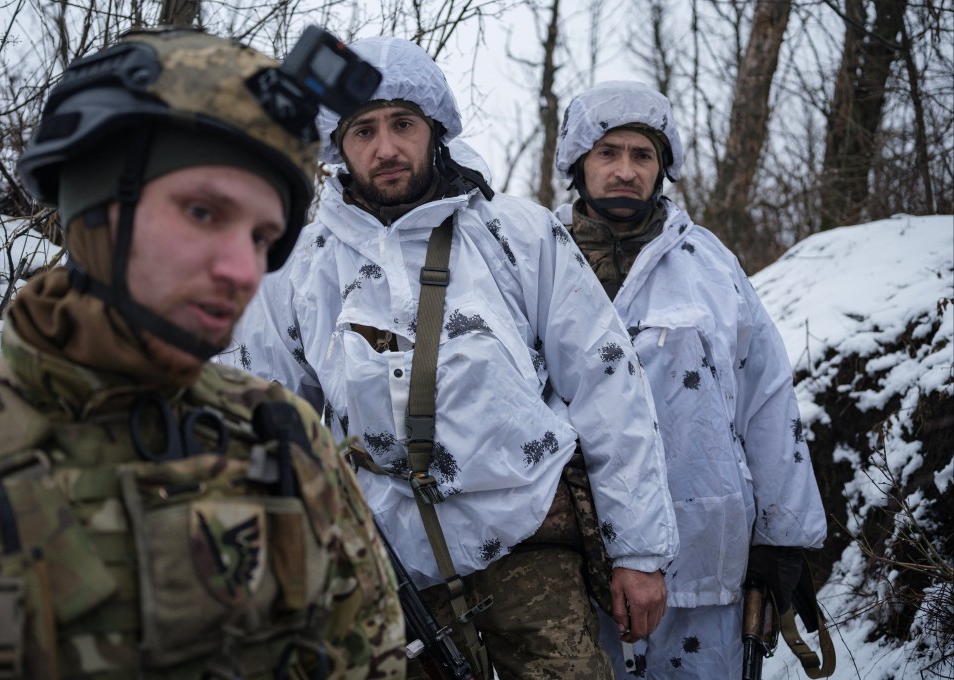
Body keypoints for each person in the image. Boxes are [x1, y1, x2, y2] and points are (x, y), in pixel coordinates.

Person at [0, 29, 405, 679]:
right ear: (97, 203)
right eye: (205, 212)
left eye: (264, 236)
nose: (245, 269)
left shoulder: (284, 438)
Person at [229, 37, 678, 680]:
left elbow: (610, 387)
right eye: (365, 130)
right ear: (337, 146)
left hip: (529, 550)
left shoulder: (515, 233)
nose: (386, 147)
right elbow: (263, 421)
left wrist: (640, 551)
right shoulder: (299, 267)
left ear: (434, 129)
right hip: (393, 577)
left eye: (403, 123)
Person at [554, 80, 828, 679]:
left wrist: (781, 538)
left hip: (704, 560)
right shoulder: (535, 261)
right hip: (573, 567)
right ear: (578, 161)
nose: (625, 170)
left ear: (662, 167)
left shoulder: (709, 264)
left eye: (642, 155)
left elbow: (767, 399)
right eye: (609, 152)